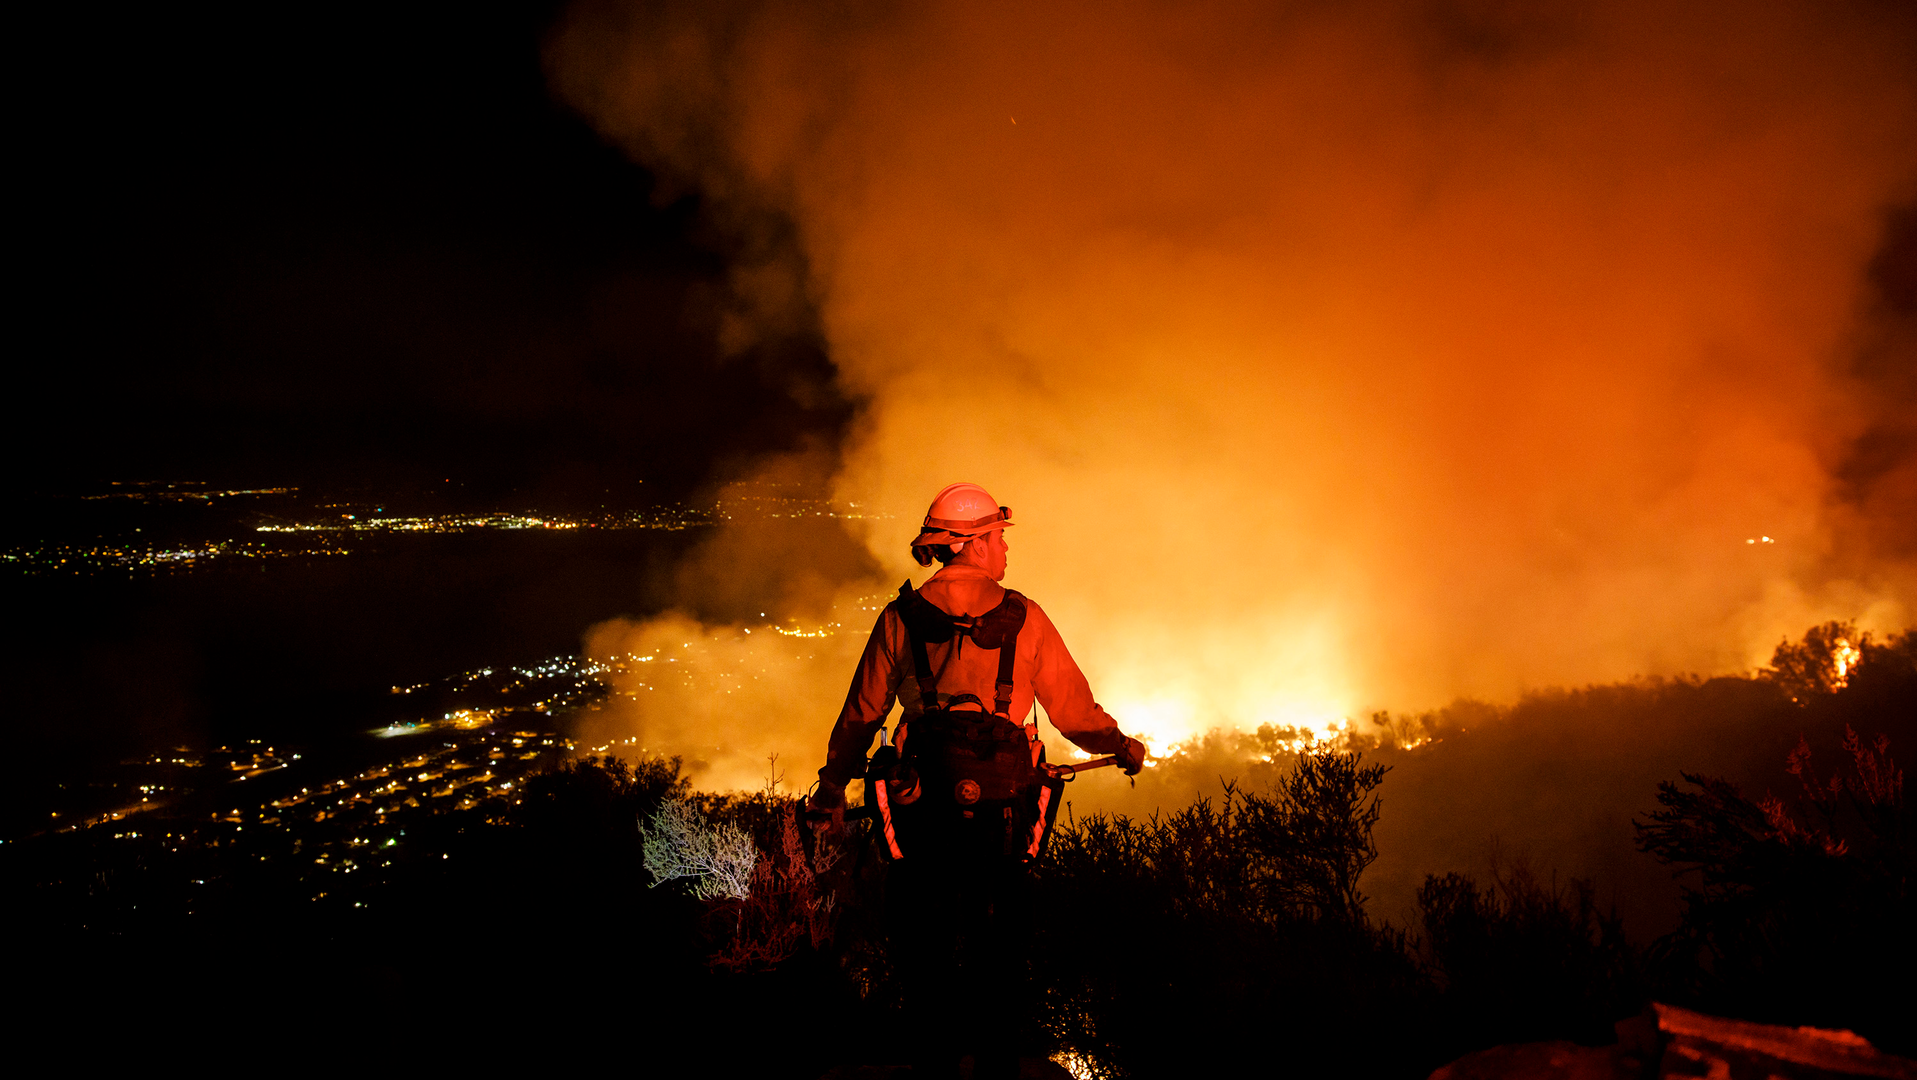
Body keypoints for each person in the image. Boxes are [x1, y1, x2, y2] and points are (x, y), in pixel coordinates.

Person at [809, 481, 1146, 1079]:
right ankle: (995, 1074)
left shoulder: (900, 618)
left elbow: (862, 713)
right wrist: (1121, 747)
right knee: (1001, 954)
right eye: (998, 537)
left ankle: (935, 1068)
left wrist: (833, 787)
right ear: (974, 542)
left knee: (925, 952)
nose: (1006, 551)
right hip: (1005, 814)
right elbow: (1073, 713)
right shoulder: (1026, 617)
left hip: (921, 815)